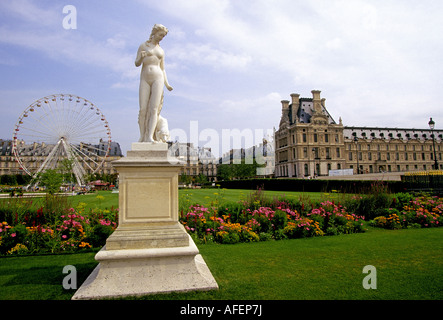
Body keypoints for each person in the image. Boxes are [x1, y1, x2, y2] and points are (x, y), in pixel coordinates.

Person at [135, 24, 173, 143]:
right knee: (143, 109)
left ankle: (149, 136)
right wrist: (141, 58)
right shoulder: (143, 45)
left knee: (154, 109)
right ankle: (142, 136)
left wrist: (167, 84)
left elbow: (163, 68)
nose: (161, 37)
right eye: (160, 35)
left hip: (158, 78)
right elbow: (136, 63)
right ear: (154, 33)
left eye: (163, 36)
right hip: (145, 78)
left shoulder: (161, 50)